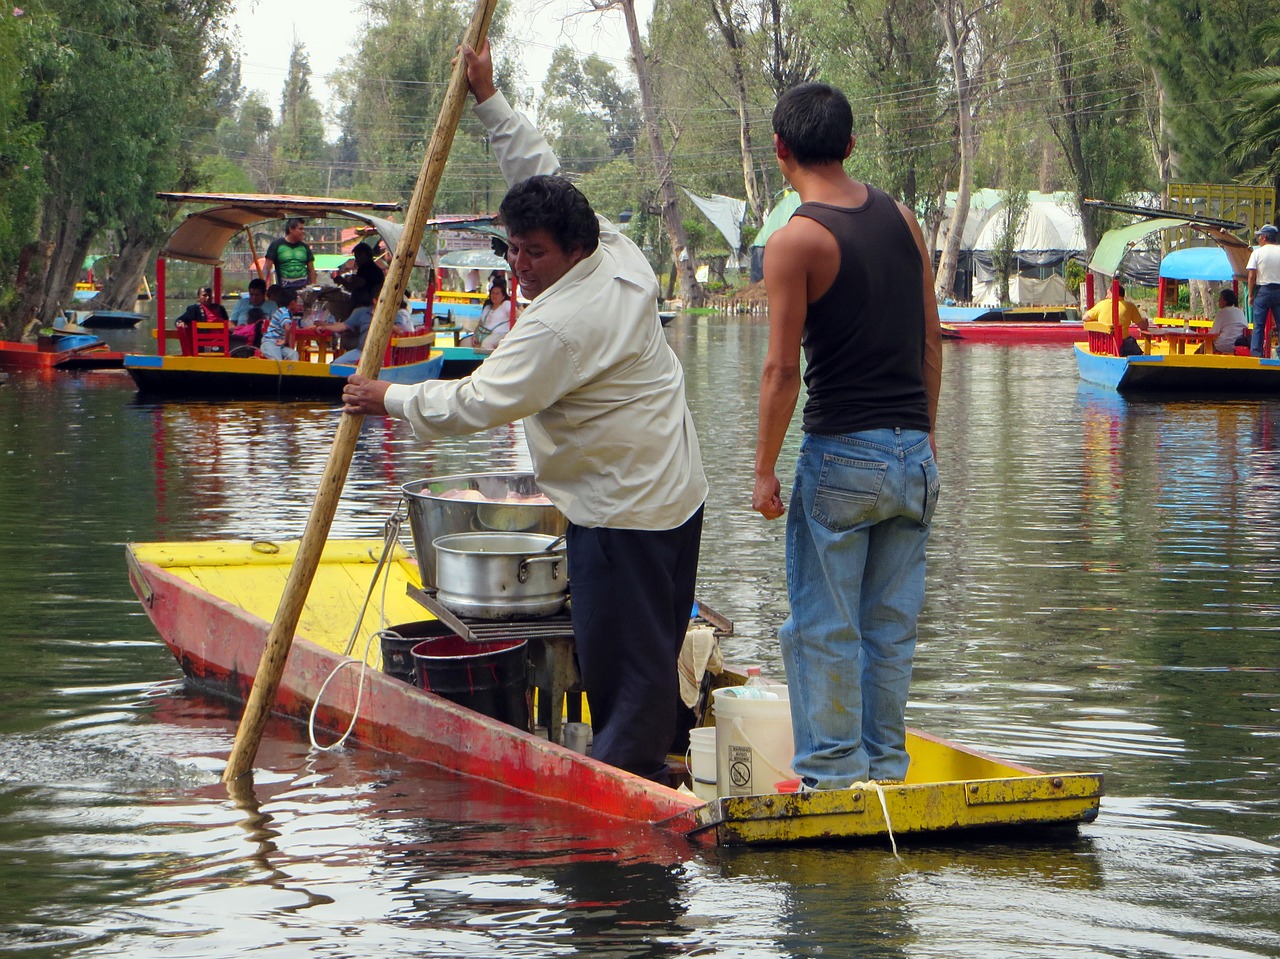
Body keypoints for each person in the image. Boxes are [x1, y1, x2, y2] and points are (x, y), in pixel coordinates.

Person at [340, 40, 707, 783]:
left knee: (626, 678)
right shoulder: (618, 252)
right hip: (674, 494)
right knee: (653, 652)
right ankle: (660, 759)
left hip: (622, 513)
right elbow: (537, 170)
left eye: (532, 254)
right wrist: (489, 96)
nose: (520, 267)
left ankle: (624, 801)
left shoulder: (559, 323)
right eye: (513, 251)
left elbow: (474, 402)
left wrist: (388, 396)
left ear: (573, 251)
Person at [752, 82, 942, 791]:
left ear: (780, 150)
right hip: (912, 452)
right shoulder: (903, 218)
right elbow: (931, 342)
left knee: (824, 627)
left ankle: (833, 777)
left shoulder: (796, 239)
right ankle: (886, 772)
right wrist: (923, 438)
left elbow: (781, 370)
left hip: (842, 457)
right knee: (889, 628)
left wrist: (764, 469)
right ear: (851, 143)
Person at [1248, 224, 1280, 356]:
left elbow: (1251, 276)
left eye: (1259, 236)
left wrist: (1250, 295)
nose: (1259, 239)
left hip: (1263, 291)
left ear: (1265, 237)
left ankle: (1256, 353)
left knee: (1259, 325)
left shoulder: (1257, 253)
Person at [314, 297, 375, 366]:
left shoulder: (389, 316)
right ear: (374, 300)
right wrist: (324, 327)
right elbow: (342, 326)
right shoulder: (362, 312)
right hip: (362, 351)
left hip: (384, 355)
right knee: (335, 365)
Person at [264, 218, 316, 291]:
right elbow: (267, 268)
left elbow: (312, 270)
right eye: (300, 229)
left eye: (303, 229)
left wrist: (313, 286)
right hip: (284, 290)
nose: (303, 232)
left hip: (303, 289)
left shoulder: (304, 247)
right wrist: (263, 287)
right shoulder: (276, 245)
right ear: (291, 229)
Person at [336, 242, 384, 308]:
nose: (356, 260)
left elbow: (354, 286)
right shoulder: (375, 269)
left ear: (363, 255)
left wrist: (342, 281)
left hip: (365, 306)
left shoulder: (366, 269)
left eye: (357, 257)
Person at [260, 284, 300, 361]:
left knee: (293, 354)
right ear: (292, 303)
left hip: (278, 345)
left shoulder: (286, 312)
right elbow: (287, 328)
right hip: (270, 343)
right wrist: (285, 341)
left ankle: (291, 372)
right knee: (278, 361)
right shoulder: (283, 312)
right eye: (296, 302)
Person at [473, 278, 512, 353]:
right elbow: (480, 323)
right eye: (493, 293)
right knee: (465, 342)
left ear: (503, 296)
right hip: (484, 334)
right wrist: (475, 335)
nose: (494, 296)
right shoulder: (487, 307)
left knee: (487, 343)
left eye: (497, 294)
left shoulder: (506, 305)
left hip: (500, 334)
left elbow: (516, 315)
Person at [1210, 288, 1248, 354]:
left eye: (1220, 298)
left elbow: (1212, 333)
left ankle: (1195, 362)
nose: (1218, 301)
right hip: (1238, 344)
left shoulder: (1222, 312)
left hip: (1223, 345)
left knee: (1205, 345)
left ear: (1226, 300)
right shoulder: (1240, 312)